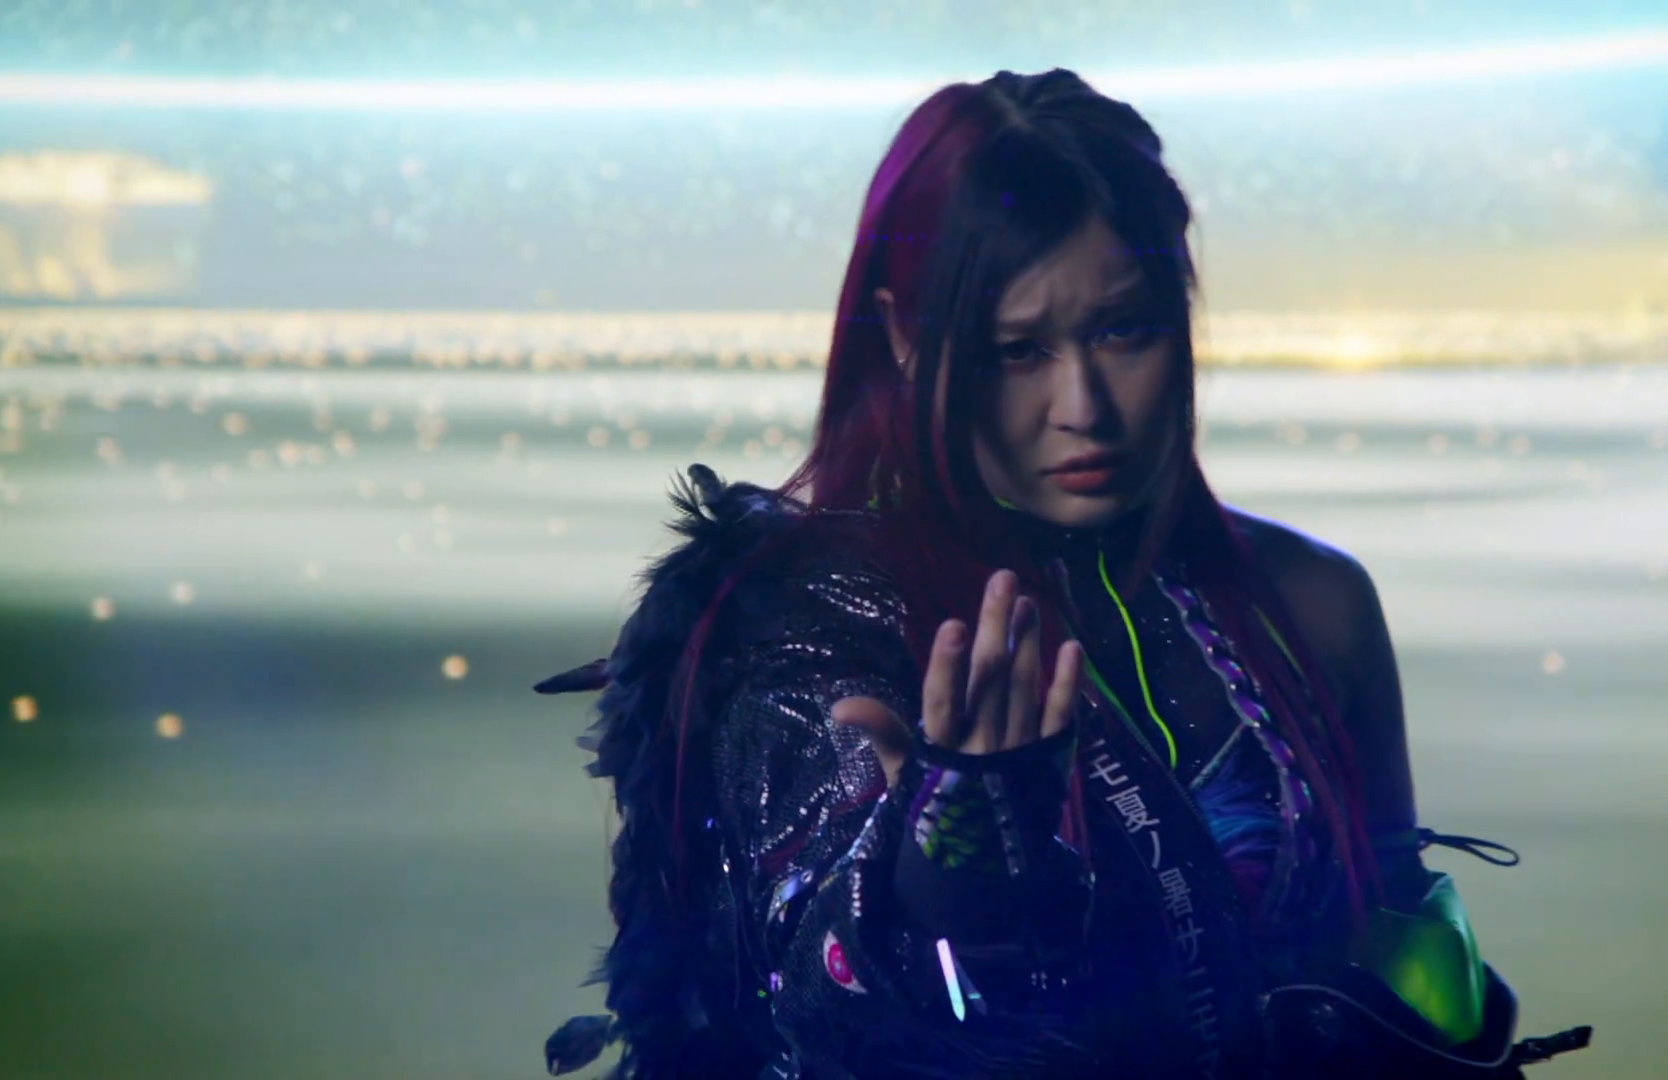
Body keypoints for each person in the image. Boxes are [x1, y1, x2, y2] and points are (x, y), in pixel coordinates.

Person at [535, 69, 1591, 1080]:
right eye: (1017, 350)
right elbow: (790, 1027)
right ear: (904, 335)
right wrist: (943, 894)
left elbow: (1418, 979)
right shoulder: (803, 631)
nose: (1084, 405)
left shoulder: (1315, 604)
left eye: (1123, 330)